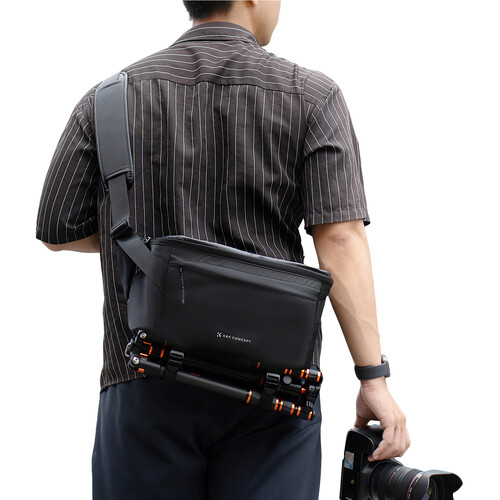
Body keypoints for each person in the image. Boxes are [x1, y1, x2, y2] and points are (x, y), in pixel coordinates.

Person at [36, 1, 410, 498]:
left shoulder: (108, 100)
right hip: (275, 390)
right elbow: (339, 238)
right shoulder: (312, 96)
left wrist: (140, 239)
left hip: (146, 373)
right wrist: (372, 378)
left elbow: (58, 229)